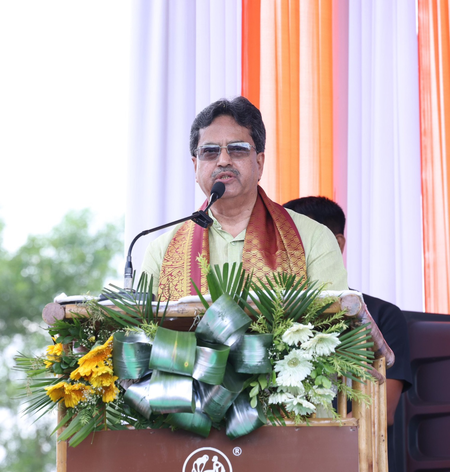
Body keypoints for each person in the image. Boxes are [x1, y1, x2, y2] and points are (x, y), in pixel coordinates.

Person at [141, 97, 347, 300]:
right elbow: (141, 321)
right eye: (210, 152)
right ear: (195, 167)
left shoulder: (313, 240)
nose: (223, 161)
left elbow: (332, 319)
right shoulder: (161, 252)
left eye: (237, 149)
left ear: (259, 163)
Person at [283, 195, 412, 472]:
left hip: (351, 458)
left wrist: (316, 450)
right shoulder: (270, 316)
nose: (287, 255)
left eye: (299, 243)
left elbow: (381, 411)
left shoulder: (383, 316)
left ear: (336, 243)